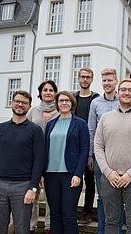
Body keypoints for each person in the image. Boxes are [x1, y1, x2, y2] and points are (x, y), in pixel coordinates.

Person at [94, 79, 131, 234]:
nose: (126, 93)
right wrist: (107, 172)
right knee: (111, 223)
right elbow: (98, 146)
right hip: (109, 179)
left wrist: (130, 173)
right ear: (118, 92)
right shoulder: (105, 118)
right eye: (123, 89)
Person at [0, 90, 45, 234]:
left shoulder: (35, 130)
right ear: (12, 103)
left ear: (29, 106)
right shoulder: (0, 128)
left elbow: (38, 161)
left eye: (24, 103)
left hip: (23, 187)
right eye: (17, 101)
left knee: (22, 229)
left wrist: (33, 188)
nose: (20, 105)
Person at [44, 91, 89, 234]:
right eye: (61, 100)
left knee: (68, 215)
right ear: (57, 104)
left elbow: (84, 150)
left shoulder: (80, 123)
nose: (64, 103)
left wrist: (78, 174)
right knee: (55, 215)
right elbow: (45, 149)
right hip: (50, 175)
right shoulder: (50, 124)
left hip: (70, 175)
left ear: (72, 103)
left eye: (67, 100)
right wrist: (41, 174)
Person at [88, 68, 123, 234]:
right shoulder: (95, 103)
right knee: (102, 197)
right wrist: (89, 154)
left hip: (120, 156)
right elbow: (91, 130)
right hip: (100, 157)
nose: (107, 83)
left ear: (116, 81)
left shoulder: (122, 100)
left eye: (110, 80)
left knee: (119, 197)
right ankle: (102, 231)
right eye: (104, 81)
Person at [27, 80, 59, 234]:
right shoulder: (32, 111)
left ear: (55, 93)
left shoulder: (60, 112)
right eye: (45, 90)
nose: (48, 92)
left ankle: (49, 226)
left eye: (51, 90)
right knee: (32, 193)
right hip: (33, 159)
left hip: (54, 159)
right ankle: (31, 226)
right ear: (40, 93)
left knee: (51, 196)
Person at [73, 68, 99, 225]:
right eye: (82, 77)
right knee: (74, 179)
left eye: (88, 77)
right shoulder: (73, 98)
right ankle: (72, 209)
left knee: (90, 180)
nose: (85, 79)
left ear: (92, 79)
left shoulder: (96, 99)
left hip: (89, 144)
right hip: (74, 145)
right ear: (78, 78)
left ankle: (87, 212)